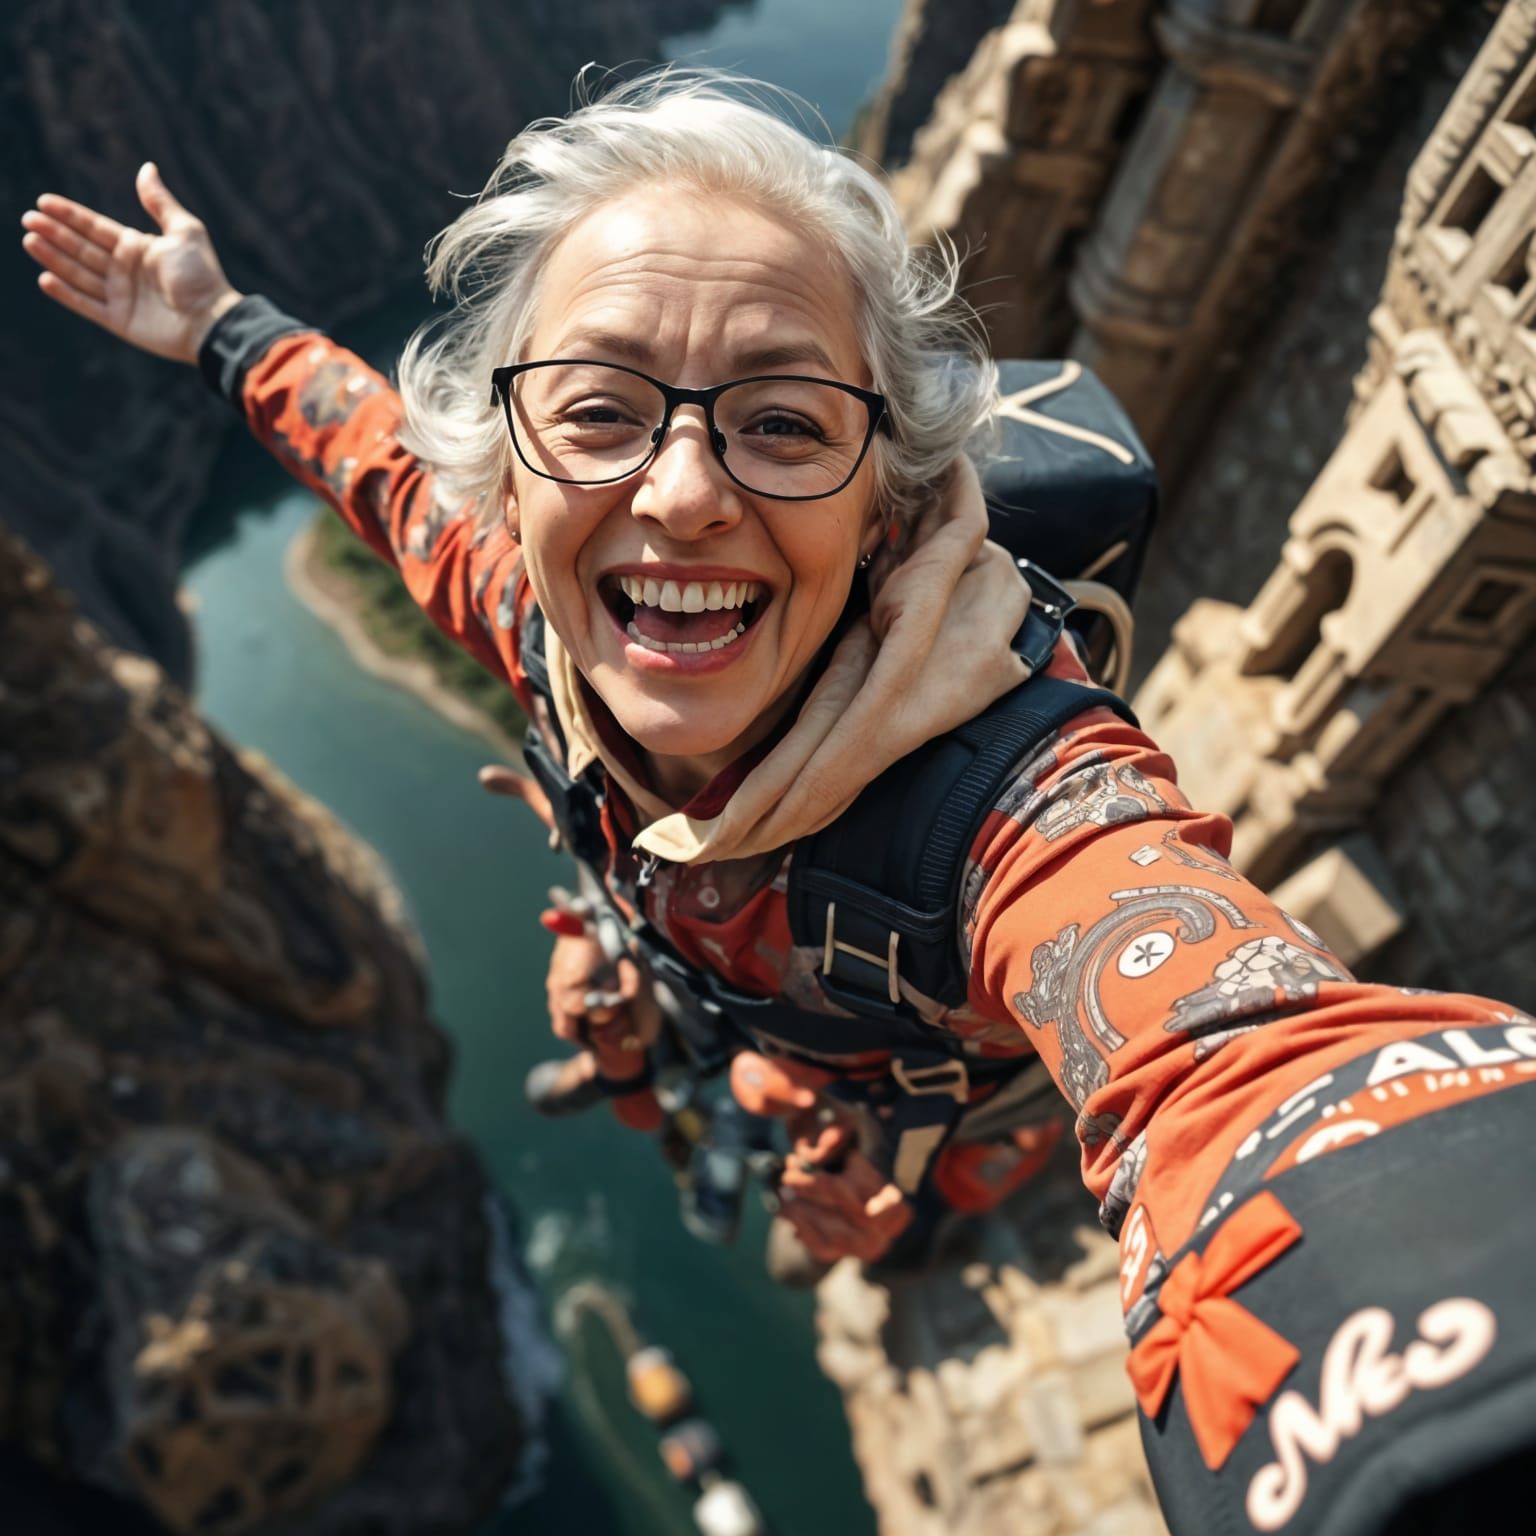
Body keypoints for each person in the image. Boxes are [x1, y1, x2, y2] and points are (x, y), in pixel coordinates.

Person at [24, 71, 1536, 1536]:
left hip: (920, 1106)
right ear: (513, 472)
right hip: (722, 989)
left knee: (878, 1213)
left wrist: (1427, 1356)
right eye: (599, 410)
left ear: (887, 505)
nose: (682, 495)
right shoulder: (533, 614)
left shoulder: (1003, 793)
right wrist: (219, 325)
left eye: (786, 424)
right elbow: (372, 458)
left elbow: (1217, 1020)